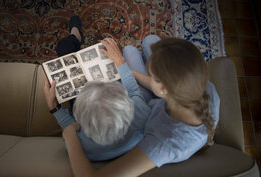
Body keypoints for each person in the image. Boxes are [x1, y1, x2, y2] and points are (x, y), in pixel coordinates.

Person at [61, 36, 220, 177]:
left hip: (150, 110)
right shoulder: (207, 89)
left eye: (153, 76)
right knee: (149, 40)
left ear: (164, 90)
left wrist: (68, 133)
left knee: (131, 50)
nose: (150, 77)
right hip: (155, 104)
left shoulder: (160, 144)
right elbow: (155, 86)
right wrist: (123, 67)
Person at [44, 15, 151, 161]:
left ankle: (75, 37)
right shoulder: (141, 117)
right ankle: (74, 37)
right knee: (129, 50)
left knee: (65, 47)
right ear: (127, 106)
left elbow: (70, 127)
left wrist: (54, 109)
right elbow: (133, 91)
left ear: (80, 121)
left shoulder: (76, 146)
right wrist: (120, 62)